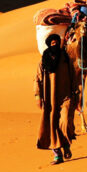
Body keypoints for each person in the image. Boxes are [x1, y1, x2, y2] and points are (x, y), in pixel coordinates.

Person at [34, 34, 73, 164]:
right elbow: (38, 78)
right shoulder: (43, 60)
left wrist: (76, 92)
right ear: (48, 44)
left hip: (65, 96)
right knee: (51, 125)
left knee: (65, 120)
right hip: (49, 98)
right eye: (52, 44)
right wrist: (38, 96)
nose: (54, 45)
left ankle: (66, 144)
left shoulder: (65, 57)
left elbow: (72, 74)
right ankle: (57, 154)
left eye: (56, 43)